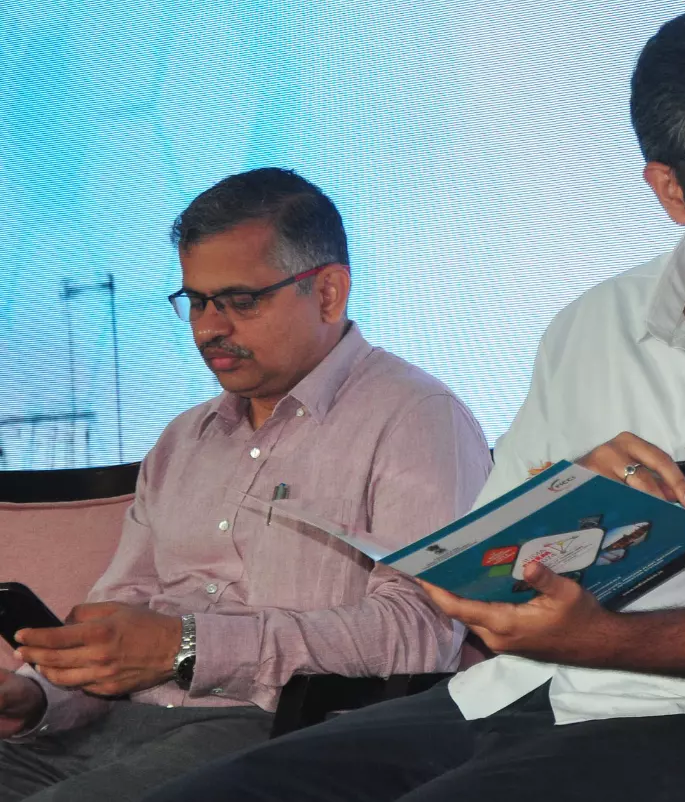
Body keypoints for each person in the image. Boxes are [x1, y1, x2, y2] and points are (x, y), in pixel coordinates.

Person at [143, 10, 685, 802]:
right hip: (515, 696)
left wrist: (606, 640)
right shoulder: (591, 326)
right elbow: (473, 581)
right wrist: (565, 498)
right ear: (670, 188)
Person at [0, 168, 491, 802]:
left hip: (284, 732)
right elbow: (118, 626)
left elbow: (421, 635)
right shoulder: (182, 440)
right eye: (197, 301)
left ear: (328, 293)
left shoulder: (417, 418)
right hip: (104, 731)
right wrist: (38, 697)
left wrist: (190, 647)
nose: (209, 328)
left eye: (240, 300)